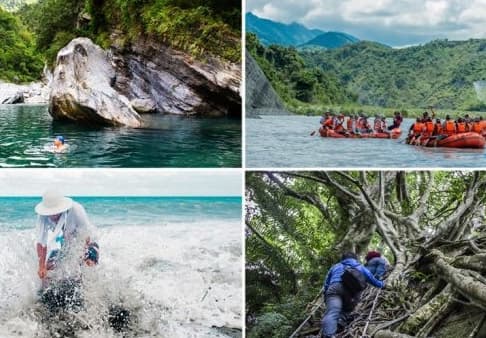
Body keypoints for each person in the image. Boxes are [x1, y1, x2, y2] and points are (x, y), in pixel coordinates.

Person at [35, 190, 98, 287]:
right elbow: (41, 243)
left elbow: (86, 236)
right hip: (66, 243)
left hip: (87, 242)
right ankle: (43, 296)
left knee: (85, 265)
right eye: (50, 212)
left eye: (56, 211)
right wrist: (41, 266)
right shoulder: (42, 215)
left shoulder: (77, 209)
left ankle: (87, 291)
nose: (53, 215)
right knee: (48, 268)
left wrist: (81, 257)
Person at [321, 252, 385, 338]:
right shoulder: (359, 266)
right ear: (355, 259)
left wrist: (326, 294)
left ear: (343, 259)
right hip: (351, 294)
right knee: (347, 309)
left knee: (332, 312)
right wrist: (382, 284)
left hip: (334, 288)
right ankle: (341, 320)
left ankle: (329, 335)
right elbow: (371, 279)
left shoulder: (335, 266)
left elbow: (326, 283)